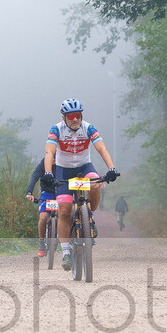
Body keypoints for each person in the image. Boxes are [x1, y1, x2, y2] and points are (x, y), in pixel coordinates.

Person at [40, 98, 119, 271]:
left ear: (81, 115)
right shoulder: (56, 130)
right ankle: (66, 252)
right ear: (64, 118)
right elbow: (49, 151)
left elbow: (101, 148)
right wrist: (47, 172)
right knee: (65, 210)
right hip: (63, 170)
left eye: (78, 115)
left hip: (84, 167)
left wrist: (111, 168)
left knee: (96, 183)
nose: (75, 119)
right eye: (71, 116)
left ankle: (88, 216)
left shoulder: (88, 128)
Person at [25, 158, 56, 257]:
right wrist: (29, 192)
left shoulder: (65, 160)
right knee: (43, 218)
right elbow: (35, 176)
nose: (54, 160)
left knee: (66, 214)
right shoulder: (44, 162)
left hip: (61, 193)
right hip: (47, 194)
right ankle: (41, 243)